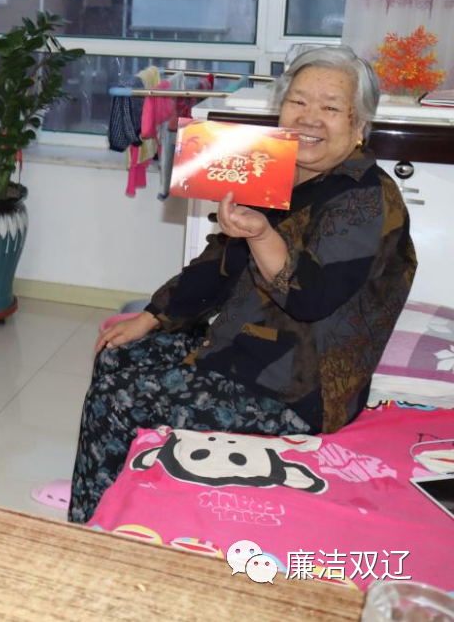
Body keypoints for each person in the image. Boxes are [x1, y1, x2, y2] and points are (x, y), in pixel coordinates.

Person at [69, 45, 417, 524]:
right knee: (118, 354)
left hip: (297, 387)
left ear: (359, 126)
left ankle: (93, 530)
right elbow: (220, 260)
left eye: (331, 107)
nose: (310, 117)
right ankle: (118, 497)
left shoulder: (366, 199)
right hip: (243, 346)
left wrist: (260, 234)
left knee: (121, 396)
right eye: (298, 101)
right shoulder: (277, 171)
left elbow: (311, 297)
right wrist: (153, 316)